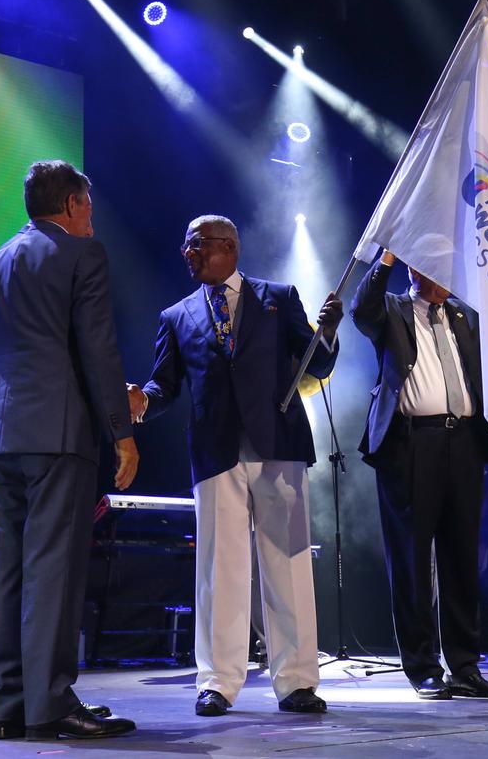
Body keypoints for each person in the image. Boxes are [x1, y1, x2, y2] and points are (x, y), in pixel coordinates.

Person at [0, 160, 139, 740]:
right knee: (52, 568)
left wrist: (12, 354)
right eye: (90, 211)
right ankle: (50, 704)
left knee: (5, 569)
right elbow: (99, 351)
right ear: (74, 205)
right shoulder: (81, 256)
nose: (93, 222)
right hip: (57, 434)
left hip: (0, 439)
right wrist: (121, 432)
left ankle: (7, 705)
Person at [128, 214, 343, 717]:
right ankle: (219, 682)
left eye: (195, 244)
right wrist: (140, 400)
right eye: (186, 245)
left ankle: (296, 682)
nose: (187, 253)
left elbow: (315, 364)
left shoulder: (279, 297)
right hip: (216, 449)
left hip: (279, 445)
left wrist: (328, 334)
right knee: (219, 568)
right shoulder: (176, 316)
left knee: (287, 565)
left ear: (228, 248)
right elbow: (165, 386)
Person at [350, 249, 488, 700]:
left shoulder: (461, 315)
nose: (443, 280)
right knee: (413, 559)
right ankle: (422, 667)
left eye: (449, 271)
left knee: (461, 558)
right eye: (434, 270)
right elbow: (362, 310)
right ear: (414, 270)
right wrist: (384, 259)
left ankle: (465, 665)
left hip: (462, 443)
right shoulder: (393, 309)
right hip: (410, 444)